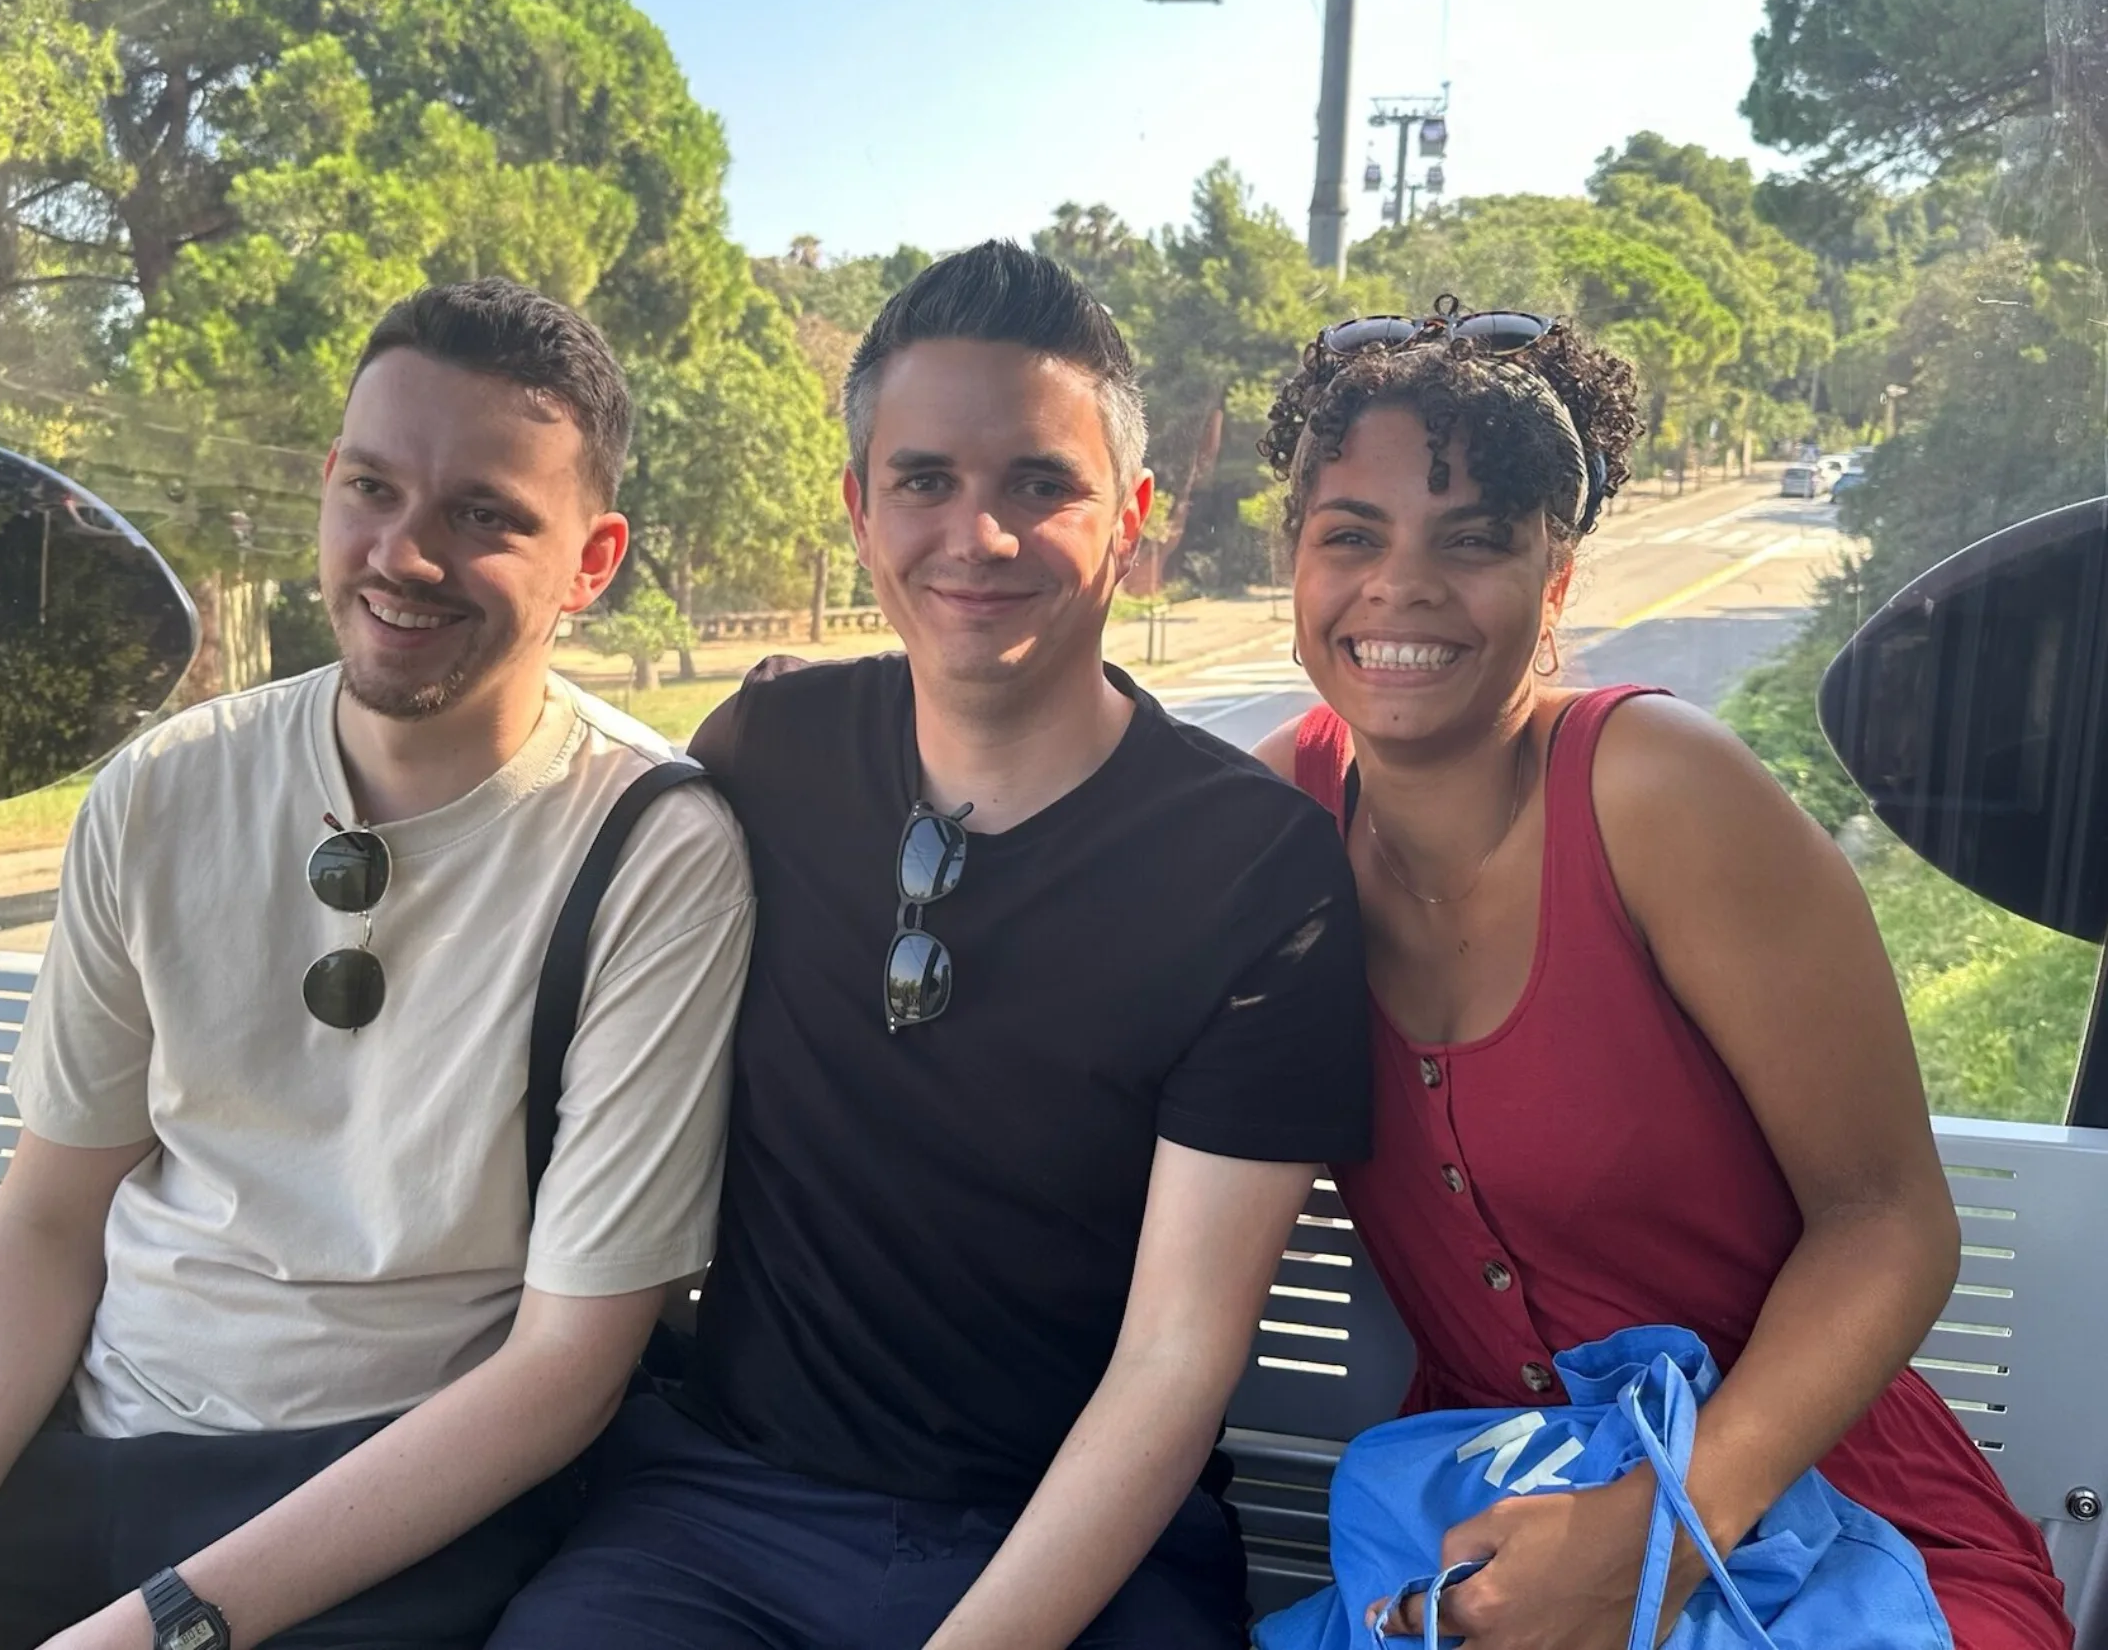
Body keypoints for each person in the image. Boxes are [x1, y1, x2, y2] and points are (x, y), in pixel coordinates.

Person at [0, 279, 754, 1650]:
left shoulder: (654, 850)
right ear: (327, 484)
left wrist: (159, 1626)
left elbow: (566, 1372)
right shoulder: (164, 789)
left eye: (485, 515)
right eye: (373, 489)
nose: (404, 555)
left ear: (591, 562)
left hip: (396, 1492)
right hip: (93, 1434)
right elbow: (46, 1221)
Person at [489, 242, 1374, 1650]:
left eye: (1041, 483)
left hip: (1082, 1548)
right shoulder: (766, 756)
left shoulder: (1253, 871)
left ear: (1133, 519)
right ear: (859, 510)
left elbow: (1175, 1361)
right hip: (719, 1515)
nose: (980, 536)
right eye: (924, 481)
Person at [1249, 301, 2071, 1649]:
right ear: (1293, 565)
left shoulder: (1653, 792)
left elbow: (1889, 1219)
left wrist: (1659, 1536)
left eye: (1474, 540)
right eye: (1351, 536)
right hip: (1476, 1529)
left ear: (1556, 581)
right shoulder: (1278, 820)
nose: (1402, 585)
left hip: (1819, 1528)